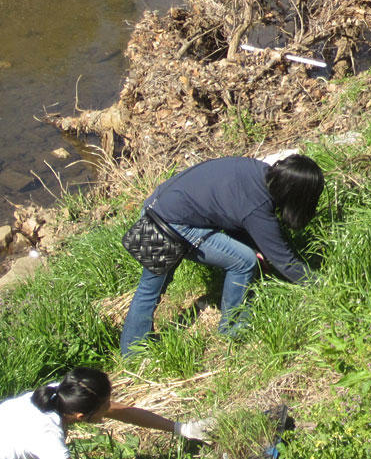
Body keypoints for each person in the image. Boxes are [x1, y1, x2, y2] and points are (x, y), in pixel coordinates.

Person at [120, 154, 324, 355]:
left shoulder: (257, 170)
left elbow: (231, 211)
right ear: (298, 195)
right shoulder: (258, 206)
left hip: (156, 206)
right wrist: (323, 286)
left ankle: (131, 350)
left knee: (149, 288)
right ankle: (233, 328)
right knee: (243, 261)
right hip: (169, 226)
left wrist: (257, 246)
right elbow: (286, 262)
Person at [0, 367, 212, 459]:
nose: (110, 407)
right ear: (81, 416)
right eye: (105, 406)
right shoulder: (49, 439)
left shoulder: (63, 392)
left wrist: (182, 428)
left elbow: (123, 412)